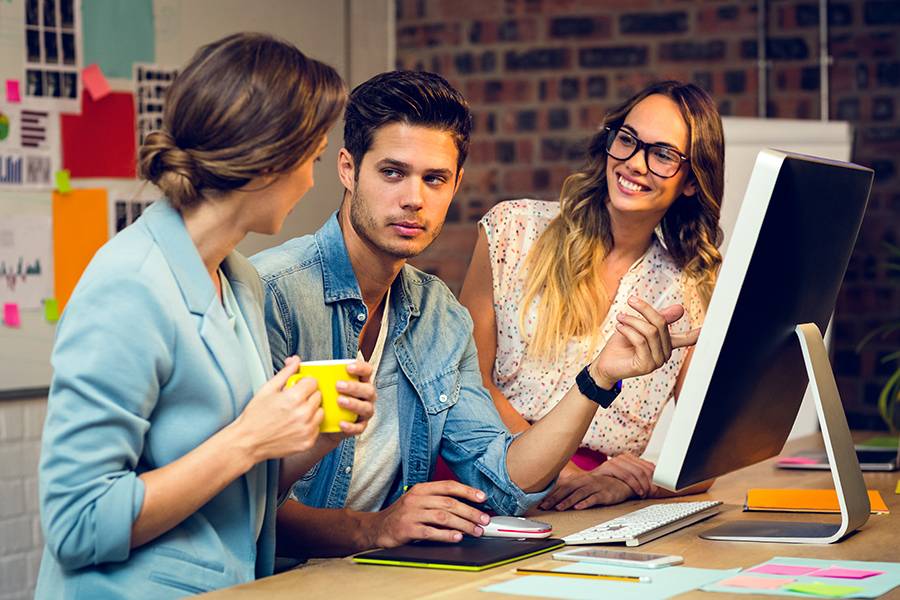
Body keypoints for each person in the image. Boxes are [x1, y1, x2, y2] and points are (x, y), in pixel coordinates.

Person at [251, 70, 698, 559]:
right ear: (347, 169)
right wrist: (372, 528)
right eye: (392, 172)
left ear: (456, 183)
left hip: (383, 574)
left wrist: (599, 377)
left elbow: (501, 482)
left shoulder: (439, 317)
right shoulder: (271, 294)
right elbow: (241, 504)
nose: (414, 199)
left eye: (434, 179)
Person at [35, 33, 376, 598]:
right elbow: (77, 523)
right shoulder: (129, 284)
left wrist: (314, 433)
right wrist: (249, 438)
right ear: (267, 161)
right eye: (312, 159)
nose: (313, 181)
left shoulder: (240, 280)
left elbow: (237, 486)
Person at [458, 81, 724, 512]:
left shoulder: (687, 290)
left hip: (594, 506)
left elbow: (707, 453)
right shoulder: (512, 230)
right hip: (486, 477)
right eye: (628, 139)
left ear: (692, 181)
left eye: (662, 154)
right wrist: (562, 472)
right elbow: (469, 381)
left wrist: (634, 485)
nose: (634, 163)